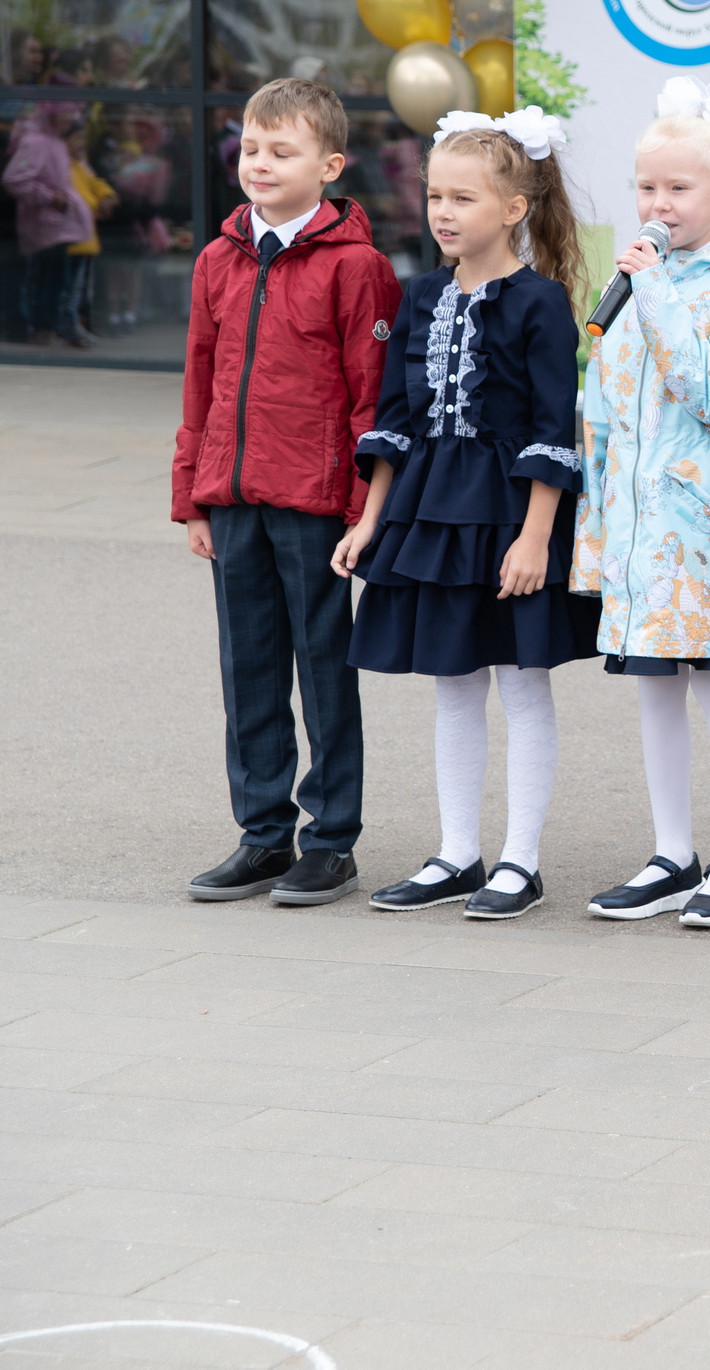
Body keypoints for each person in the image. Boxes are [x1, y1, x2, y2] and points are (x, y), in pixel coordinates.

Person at [339, 109, 597, 921]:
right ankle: (457, 852)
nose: (443, 213)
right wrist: (370, 521)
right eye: (435, 196)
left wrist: (535, 537)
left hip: (510, 511)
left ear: (514, 208)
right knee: (453, 682)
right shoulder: (418, 295)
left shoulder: (541, 302)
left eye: (463, 198)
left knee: (521, 683)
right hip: (431, 508)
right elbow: (395, 418)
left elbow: (555, 427)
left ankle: (521, 860)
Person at [172, 78, 401, 907]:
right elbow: (200, 381)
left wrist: (362, 511)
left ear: (330, 165)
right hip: (234, 498)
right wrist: (193, 496)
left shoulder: (358, 267)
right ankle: (263, 834)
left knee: (324, 668)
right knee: (250, 669)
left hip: (314, 505)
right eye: (250, 148)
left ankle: (331, 838)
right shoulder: (217, 259)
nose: (260, 163)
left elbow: (373, 397)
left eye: (282, 150)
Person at [574, 81, 710, 930]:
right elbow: (601, 411)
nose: (659, 204)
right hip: (633, 530)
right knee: (653, 686)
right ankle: (672, 853)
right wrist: (595, 529)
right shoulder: (631, 283)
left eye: (678, 188)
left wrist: (654, 290)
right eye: (647, 187)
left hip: (702, 527)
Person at [3, 102, 94, 347]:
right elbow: (14, 179)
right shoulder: (37, 142)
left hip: (60, 226)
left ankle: (52, 327)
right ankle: (41, 328)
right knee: (45, 280)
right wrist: (49, 197)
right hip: (45, 226)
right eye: (68, 112)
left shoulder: (55, 142)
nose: (72, 117)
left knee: (58, 281)